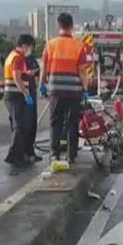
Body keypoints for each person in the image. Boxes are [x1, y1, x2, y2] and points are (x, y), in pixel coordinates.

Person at [42, 13, 90, 162]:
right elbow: (82, 71)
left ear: (59, 26)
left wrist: (43, 85)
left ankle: (54, 154)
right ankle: (71, 155)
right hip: (74, 92)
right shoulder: (79, 46)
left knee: (55, 122)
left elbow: (44, 67)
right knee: (72, 123)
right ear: (72, 26)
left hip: (55, 91)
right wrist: (85, 89)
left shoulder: (50, 44)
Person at [3, 34, 36, 171]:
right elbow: (16, 78)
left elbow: (18, 74)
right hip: (16, 96)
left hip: (12, 96)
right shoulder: (17, 57)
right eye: (29, 47)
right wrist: (26, 93)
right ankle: (13, 155)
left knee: (19, 125)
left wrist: (27, 74)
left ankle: (19, 154)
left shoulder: (12, 55)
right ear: (24, 46)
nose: (30, 50)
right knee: (19, 126)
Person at [23, 52, 43, 163]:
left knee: (32, 124)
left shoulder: (30, 59)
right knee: (27, 125)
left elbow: (37, 71)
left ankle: (30, 151)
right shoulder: (19, 59)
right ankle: (25, 152)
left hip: (31, 93)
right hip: (25, 94)